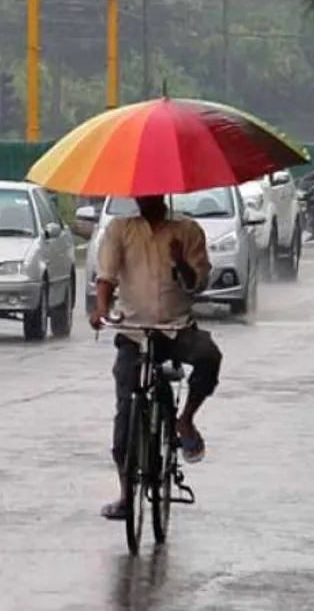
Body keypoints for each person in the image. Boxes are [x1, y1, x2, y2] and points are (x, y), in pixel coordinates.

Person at [89, 194, 222, 521]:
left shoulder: (188, 230)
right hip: (134, 330)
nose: (146, 198)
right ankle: (125, 495)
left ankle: (185, 418)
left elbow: (197, 284)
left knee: (208, 356)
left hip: (177, 327)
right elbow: (106, 276)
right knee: (125, 409)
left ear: (163, 194)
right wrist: (102, 310)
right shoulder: (120, 229)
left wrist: (180, 263)